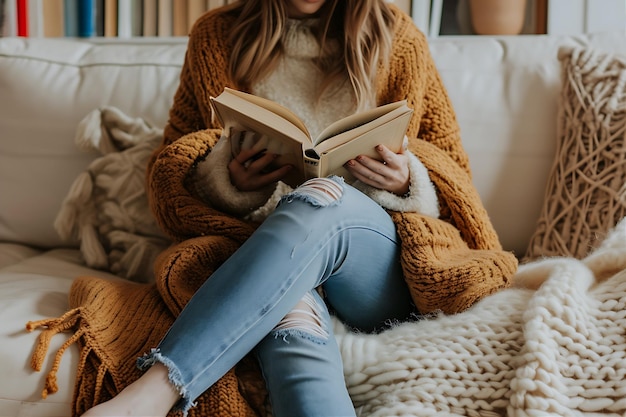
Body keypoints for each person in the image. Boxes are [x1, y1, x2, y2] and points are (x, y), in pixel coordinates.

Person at [82, 0, 516, 416]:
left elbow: (452, 170)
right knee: (293, 309)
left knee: (322, 196)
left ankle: (156, 390)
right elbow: (174, 166)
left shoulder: (397, 37)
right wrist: (228, 180)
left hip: (371, 267)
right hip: (268, 257)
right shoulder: (215, 35)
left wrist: (408, 180)